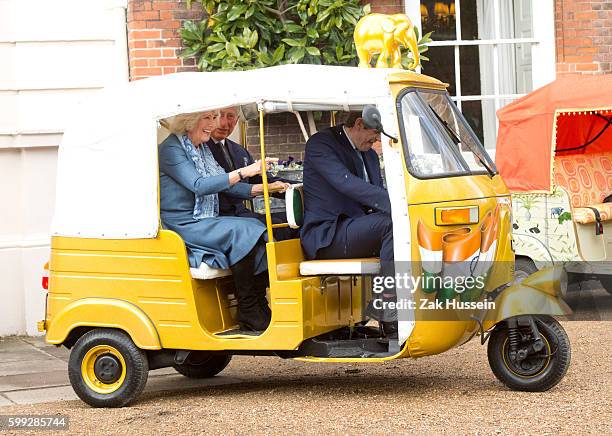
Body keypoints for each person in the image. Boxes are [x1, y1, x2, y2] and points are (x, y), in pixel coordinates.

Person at [159, 110, 285, 332]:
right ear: (189, 121)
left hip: (205, 218)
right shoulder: (171, 149)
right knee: (244, 230)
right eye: (207, 118)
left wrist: (262, 188)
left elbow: (225, 183)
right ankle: (248, 307)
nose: (213, 124)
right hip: (185, 222)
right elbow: (199, 184)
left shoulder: (201, 147)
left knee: (262, 228)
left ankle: (256, 303)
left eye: (213, 118)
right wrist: (245, 171)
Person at [300, 111, 396, 336]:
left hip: (354, 228)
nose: (376, 142)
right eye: (373, 136)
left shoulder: (368, 154)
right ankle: (389, 305)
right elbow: (347, 184)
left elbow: (374, 193)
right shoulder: (322, 144)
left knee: (403, 226)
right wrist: (399, 206)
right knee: (392, 223)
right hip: (328, 234)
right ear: (359, 123)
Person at [207, 107, 297, 240]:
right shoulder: (201, 149)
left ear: (237, 120)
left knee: (294, 220)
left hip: (241, 213)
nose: (224, 123)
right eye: (219, 116)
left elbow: (261, 179)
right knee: (275, 227)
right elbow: (220, 185)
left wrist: (297, 187)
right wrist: (263, 188)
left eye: (230, 116)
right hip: (218, 217)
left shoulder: (239, 151)